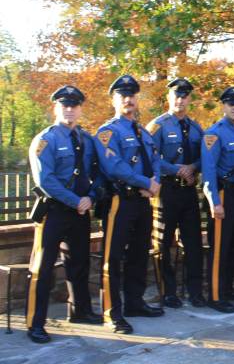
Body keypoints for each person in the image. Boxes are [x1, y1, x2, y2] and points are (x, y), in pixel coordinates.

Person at [25, 86, 104, 343]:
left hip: (80, 212)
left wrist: (90, 198)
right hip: (55, 212)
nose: (69, 109)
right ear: (55, 108)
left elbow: (99, 171)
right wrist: (76, 201)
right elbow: (46, 180)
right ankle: (35, 323)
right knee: (43, 267)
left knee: (79, 262)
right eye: (64, 105)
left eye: (74, 105)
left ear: (80, 108)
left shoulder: (86, 139)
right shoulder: (45, 140)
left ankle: (80, 311)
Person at [93, 75, 163, 334]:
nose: (128, 99)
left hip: (142, 202)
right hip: (119, 202)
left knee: (138, 254)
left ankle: (135, 302)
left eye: (132, 95)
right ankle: (112, 312)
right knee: (112, 257)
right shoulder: (107, 132)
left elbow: (155, 158)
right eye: (123, 95)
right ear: (113, 100)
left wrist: (154, 181)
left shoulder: (143, 132)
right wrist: (146, 182)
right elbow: (114, 166)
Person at [146, 78, 205, 309]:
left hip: (189, 192)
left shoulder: (196, 128)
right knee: (162, 244)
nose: (180, 100)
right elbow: (151, 159)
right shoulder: (158, 126)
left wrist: (193, 167)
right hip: (166, 192)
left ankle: (195, 291)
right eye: (176, 96)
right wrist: (177, 170)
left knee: (193, 244)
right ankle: (168, 292)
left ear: (189, 99)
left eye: (184, 96)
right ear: (169, 98)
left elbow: (205, 156)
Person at [201, 86, 234, 313]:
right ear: (224, 106)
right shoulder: (214, 133)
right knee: (219, 247)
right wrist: (214, 202)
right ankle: (215, 295)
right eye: (231, 103)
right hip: (222, 195)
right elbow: (208, 170)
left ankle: (228, 288)